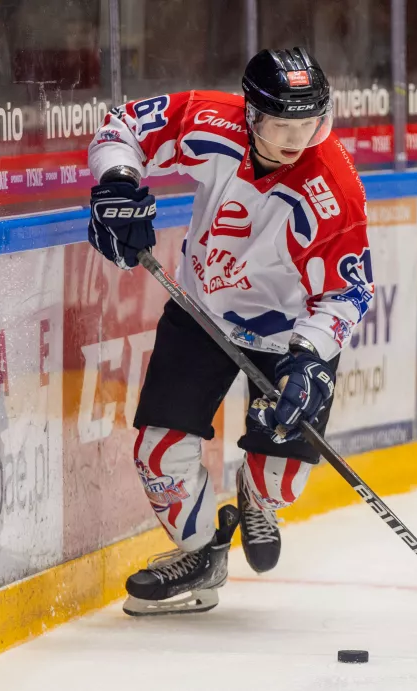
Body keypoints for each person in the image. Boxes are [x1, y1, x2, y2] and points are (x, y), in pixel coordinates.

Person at [86, 47, 373, 615]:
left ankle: (256, 498)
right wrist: (117, 182)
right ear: (251, 113)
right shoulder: (211, 120)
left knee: (281, 478)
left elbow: (348, 290)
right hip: (203, 311)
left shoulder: (334, 190)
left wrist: (310, 358)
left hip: (291, 335)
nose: (297, 139)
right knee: (159, 452)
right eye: (282, 124)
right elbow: (124, 126)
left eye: (309, 123)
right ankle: (201, 553)